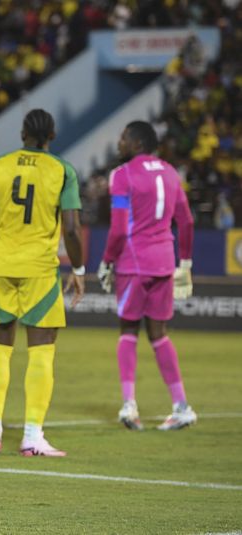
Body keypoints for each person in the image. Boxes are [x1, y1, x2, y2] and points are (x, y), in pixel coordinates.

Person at [0, 109, 85, 457]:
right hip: (40, 270)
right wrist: (79, 269)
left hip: (1, 266)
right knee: (41, 351)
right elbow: (72, 229)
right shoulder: (62, 170)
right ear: (51, 136)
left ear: (22, 134)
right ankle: (31, 436)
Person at [98, 121, 196, 432]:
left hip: (134, 262)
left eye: (123, 138)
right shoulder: (171, 173)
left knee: (128, 330)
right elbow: (187, 221)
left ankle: (129, 405)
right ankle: (181, 407)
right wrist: (185, 263)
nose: (119, 143)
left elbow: (118, 228)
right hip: (165, 262)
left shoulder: (122, 175)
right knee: (159, 334)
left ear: (137, 143)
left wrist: (107, 261)